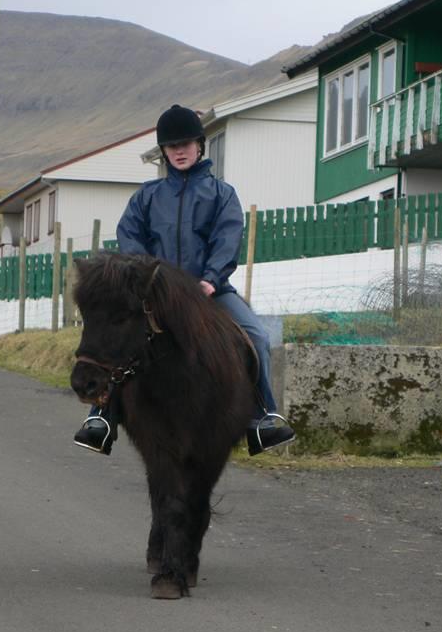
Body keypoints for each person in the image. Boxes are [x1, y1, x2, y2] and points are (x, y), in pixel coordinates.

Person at [74, 104, 296, 457]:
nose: (179, 151)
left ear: (199, 145)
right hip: (154, 294)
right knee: (115, 340)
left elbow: (227, 239)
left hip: (209, 291)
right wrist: (145, 281)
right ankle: (100, 418)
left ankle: (262, 418)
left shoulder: (223, 195)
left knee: (256, 335)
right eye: (172, 146)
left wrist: (209, 279)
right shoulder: (146, 197)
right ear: (163, 151)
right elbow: (129, 237)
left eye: (186, 144)